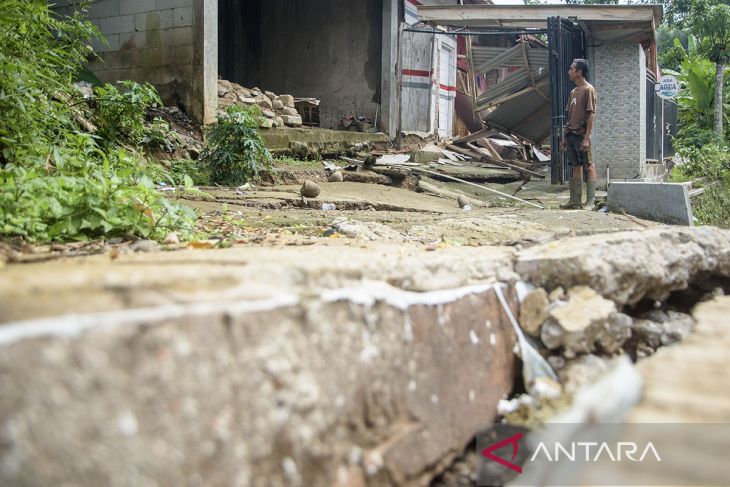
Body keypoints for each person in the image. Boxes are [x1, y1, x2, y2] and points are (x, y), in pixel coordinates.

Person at [560, 59, 597, 209]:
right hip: (571, 134)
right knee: (575, 166)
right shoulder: (573, 92)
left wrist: (587, 137)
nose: (569, 71)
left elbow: (591, 115)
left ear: (579, 72)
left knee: (588, 165)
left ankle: (590, 201)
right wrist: (564, 136)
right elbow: (570, 116)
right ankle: (575, 201)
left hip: (582, 135)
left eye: (572, 69)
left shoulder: (589, 90)